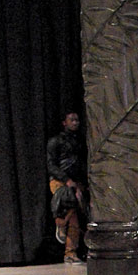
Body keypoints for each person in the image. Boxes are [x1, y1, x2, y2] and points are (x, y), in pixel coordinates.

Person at [47, 111, 88, 265]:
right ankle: (69, 249)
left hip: (76, 182)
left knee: (75, 213)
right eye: (72, 120)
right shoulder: (56, 141)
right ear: (64, 122)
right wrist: (66, 180)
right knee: (72, 210)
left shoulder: (80, 141)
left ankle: (63, 227)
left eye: (77, 120)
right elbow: (51, 165)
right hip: (60, 181)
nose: (75, 123)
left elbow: (81, 163)